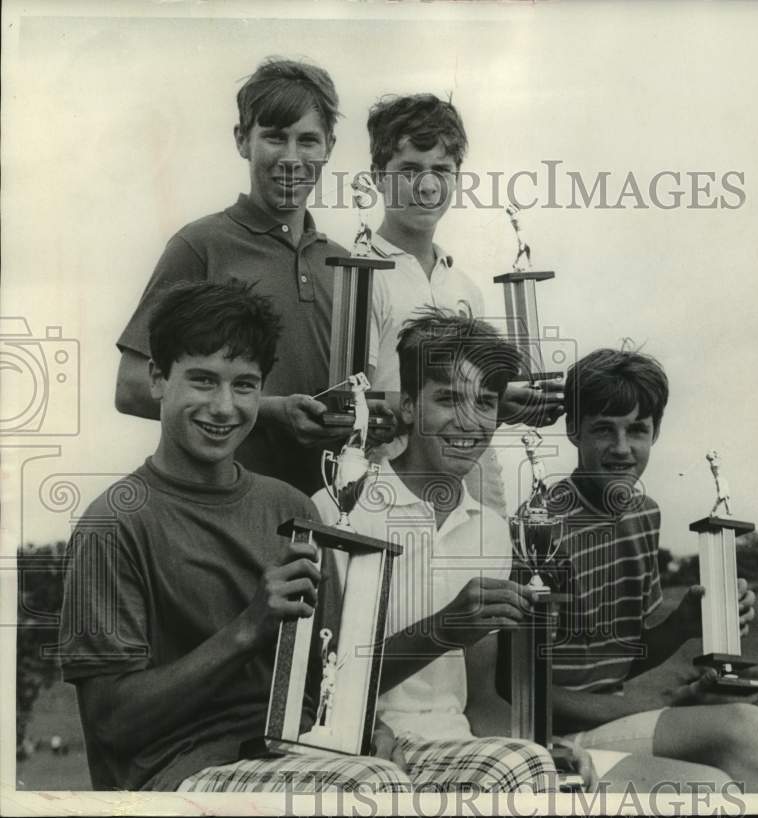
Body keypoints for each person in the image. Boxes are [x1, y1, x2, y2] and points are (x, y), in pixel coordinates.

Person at [314, 309, 734, 792]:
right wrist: (442, 629)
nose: (469, 421)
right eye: (449, 399)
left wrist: (541, 748)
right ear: (407, 406)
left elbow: (482, 704)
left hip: (469, 748)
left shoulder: (489, 531)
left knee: (714, 789)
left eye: (486, 401)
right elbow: (320, 689)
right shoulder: (339, 509)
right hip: (373, 750)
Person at [58, 280, 408, 792]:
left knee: (517, 765)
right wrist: (248, 628)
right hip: (180, 777)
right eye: (203, 381)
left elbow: (329, 670)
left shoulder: (290, 505)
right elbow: (111, 726)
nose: (224, 407)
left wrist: (369, 728)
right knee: (372, 786)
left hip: (303, 754)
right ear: (157, 378)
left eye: (244, 385)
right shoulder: (114, 523)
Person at [541, 347, 758, 793]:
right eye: (603, 429)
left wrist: (684, 625)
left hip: (622, 716)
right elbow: (521, 692)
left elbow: (620, 659)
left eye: (637, 430)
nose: (622, 448)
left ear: (655, 432)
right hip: (560, 737)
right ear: (573, 431)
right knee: (743, 732)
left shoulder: (644, 514)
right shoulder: (542, 525)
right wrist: (673, 704)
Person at [114, 57, 367, 495]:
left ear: (329, 147)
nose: (291, 157)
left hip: (328, 515)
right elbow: (133, 388)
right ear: (241, 140)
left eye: (308, 140)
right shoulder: (200, 246)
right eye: (274, 137)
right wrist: (266, 411)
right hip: (219, 510)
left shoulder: (346, 264)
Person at [362, 94, 564, 511]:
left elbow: (471, 407)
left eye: (441, 169)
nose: (428, 185)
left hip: (467, 495)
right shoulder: (362, 275)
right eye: (409, 170)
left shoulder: (464, 287)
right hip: (388, 492)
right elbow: (354, 399)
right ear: (378, 177)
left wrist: (502, 402)